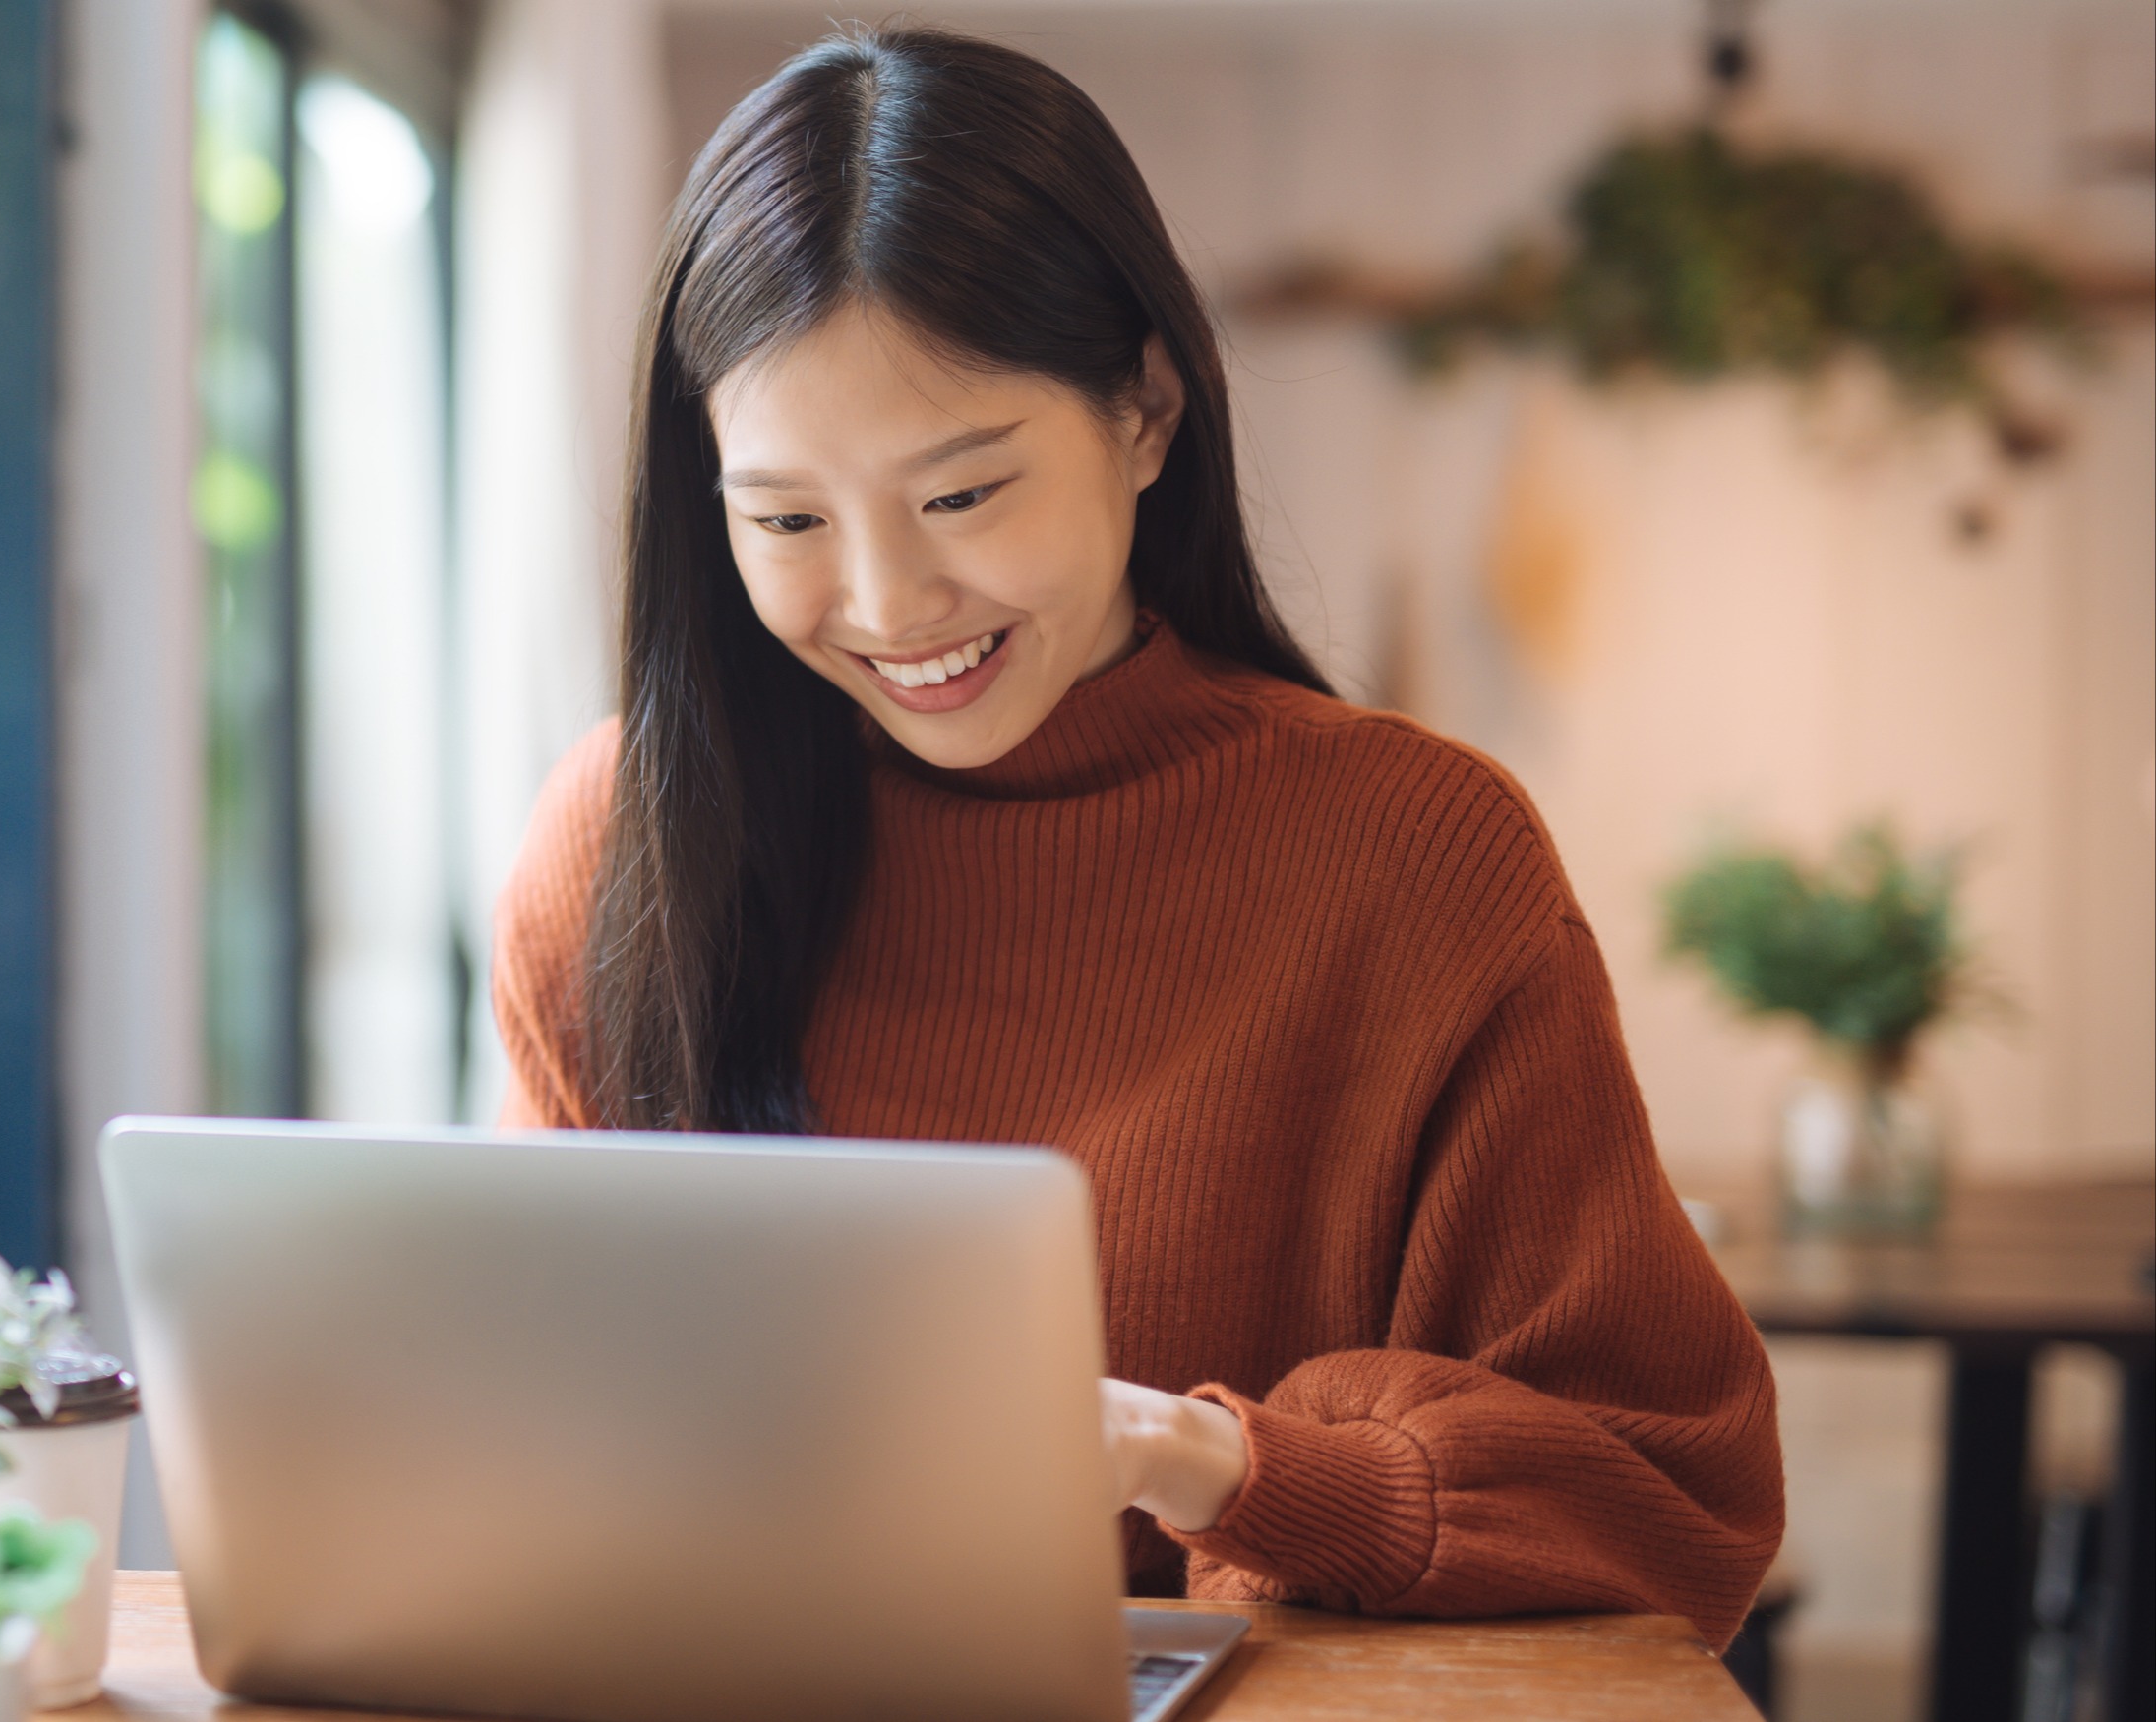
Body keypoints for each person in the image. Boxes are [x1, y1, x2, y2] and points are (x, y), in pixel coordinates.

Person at [490, 27, 1781, 1644]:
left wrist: (1227, 1465)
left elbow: (1675, 1502)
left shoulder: (1416, 859)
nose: (889, 607)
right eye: (790, 520)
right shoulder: (623, 846)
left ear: (1148, 412)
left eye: (963, 495)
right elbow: (550, 1445)